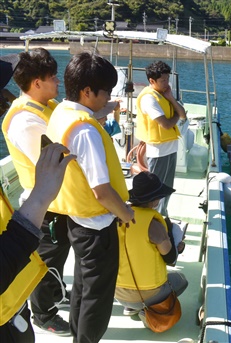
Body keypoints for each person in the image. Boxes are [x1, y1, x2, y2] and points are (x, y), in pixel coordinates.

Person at [45, 52, 135, 343]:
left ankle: (77, 336)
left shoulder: (63, 113)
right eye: (106, 91)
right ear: (87, 92)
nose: (108, 97)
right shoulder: (86, 131)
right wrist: (126, 214)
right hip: (97, 226)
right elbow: (102, 190)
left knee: (83, 288)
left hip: (76, 220)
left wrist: (108, 105)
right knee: (97, 297)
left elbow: (93, 111)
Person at [1, 48, 71, 336]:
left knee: (55, 258)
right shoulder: (26, 122)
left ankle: (52, 296)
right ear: (37, 83)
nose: (58, 82)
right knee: (48, 259)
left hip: (54, 202)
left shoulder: (46, 108)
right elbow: (48, 163)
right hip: (42, 206)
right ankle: (44, 314)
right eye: (52, 77)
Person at [115, 171, 187, 327]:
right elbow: (170, 258)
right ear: (154, 200)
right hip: (147, 295)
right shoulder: (154, 225)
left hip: (117, 293)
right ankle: (145, 311)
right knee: (181, 280)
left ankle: (129, 307)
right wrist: (177, 245)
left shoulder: (117, 216)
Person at [136, 61, 187, 217]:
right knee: (155, 191)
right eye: (163, 80)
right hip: (158, 151)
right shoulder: (149, 99)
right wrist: (176, 116)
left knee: (166, 188)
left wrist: (171, 98)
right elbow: (165, 124)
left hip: (170, 148)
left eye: (167, 79)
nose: (167, 83)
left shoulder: (164, 94)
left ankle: (162, 216)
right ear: (152, 81)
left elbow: (183, 114)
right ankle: (153, 220)